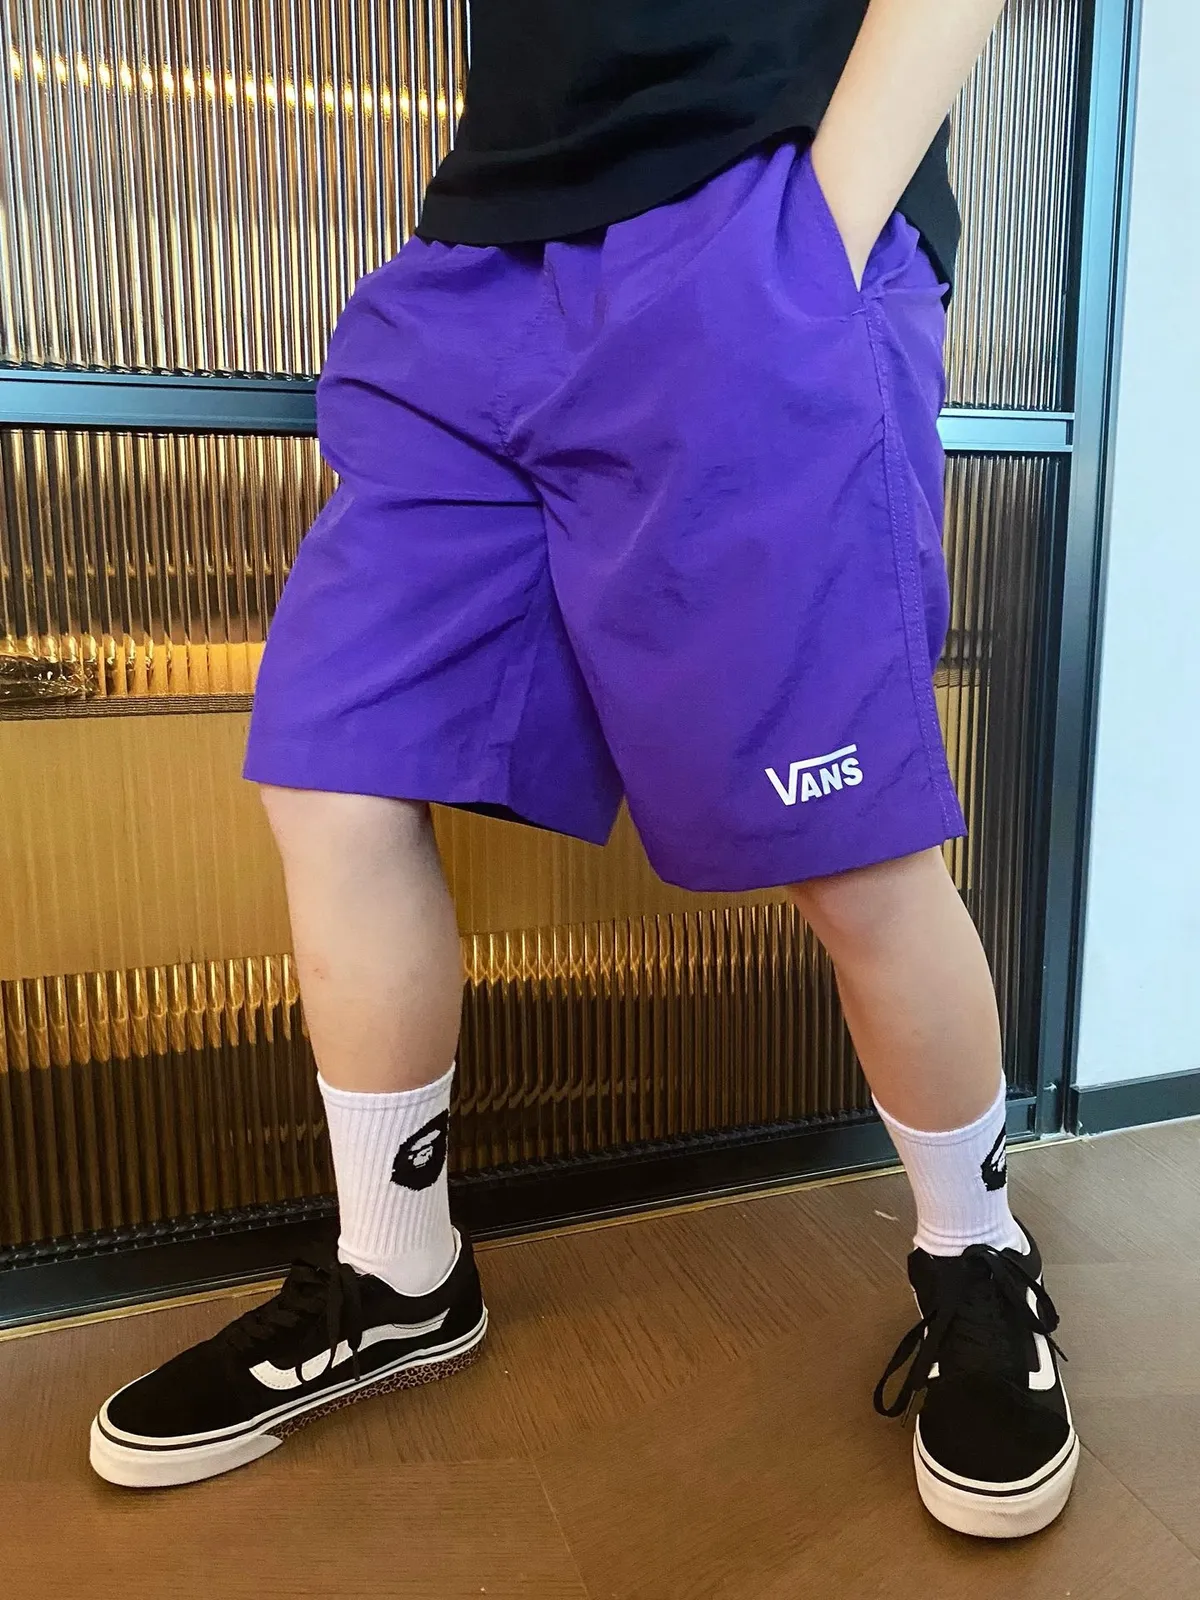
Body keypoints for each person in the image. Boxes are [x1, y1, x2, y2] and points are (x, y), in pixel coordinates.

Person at [88, 0, 1076, 1539]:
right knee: (334, 771)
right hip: (477, 265)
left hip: (751, 224)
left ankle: (975, 1252)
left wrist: (813, 238)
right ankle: (399, 1270)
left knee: (848, 843)